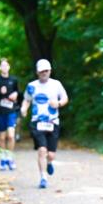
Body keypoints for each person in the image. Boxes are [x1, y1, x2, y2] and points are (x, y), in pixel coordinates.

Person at [19, 59, 69, 189]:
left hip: (53, 122)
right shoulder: (32, 86)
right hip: (37, 122)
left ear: (50, 71)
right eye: (41, 71)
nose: (44, 73)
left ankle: (50, 162)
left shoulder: (56, 84)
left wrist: (58, 104)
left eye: (46, 70)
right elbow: (26, 100)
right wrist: (24, 108)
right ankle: (43, 177)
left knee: (51, 154)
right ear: (37, 72)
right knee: (42, 150)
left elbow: (65, 98)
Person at [0, 58, 20, 171]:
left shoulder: (14, 80)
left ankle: (10, 157)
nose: (4, 67)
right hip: (0, 111)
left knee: (11, 135)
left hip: (11, 111)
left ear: (9, 67)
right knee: (1, 137)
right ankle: (3, 158)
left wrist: (15, 95)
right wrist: (0, 93)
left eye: (6, 65)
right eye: (2, 65)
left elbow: (18, 93)